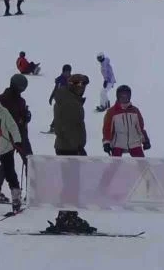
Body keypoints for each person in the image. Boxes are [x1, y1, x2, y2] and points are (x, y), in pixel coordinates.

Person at [46, 73, 96, 234]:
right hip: (68, 148)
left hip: (70, 147)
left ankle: (68, 215)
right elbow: (64, 127)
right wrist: (77, 147)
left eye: (84, 85)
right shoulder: (68, 101)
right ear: (71, 85)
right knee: (71, 184)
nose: (82, 87)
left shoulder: (70, 99)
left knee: (71, 184)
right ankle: (67, 217)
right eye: (78, 84)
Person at [0, 74, 33, 202]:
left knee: (14, 162)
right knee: (28, 161)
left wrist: (26, 116)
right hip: (11, 136)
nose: (22, 90)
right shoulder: (3, 100)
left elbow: (21, 117)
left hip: (17, 135)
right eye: (21, 87)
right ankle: (31, 192)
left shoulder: (17, 100)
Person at [102, 85, 150, 157]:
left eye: (126, 96)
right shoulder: (112, 112)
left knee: (141, 161)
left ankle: (142, 165)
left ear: (129, 96)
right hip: (118, 143)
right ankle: (114, 164)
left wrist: (145, 141)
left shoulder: (135, 111)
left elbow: (140, 128)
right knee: (115, 162)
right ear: (118, 96)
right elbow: (107, 128)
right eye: (122, 96)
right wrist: (106, 142)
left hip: (134, 142)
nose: (124, 98)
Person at [47, 64, 72, 133]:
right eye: (66, 72)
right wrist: (51, 97)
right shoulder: (60, 80)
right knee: (60, 113)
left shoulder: (71, 79)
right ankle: (53, 127)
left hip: (68, 99)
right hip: (60, 99)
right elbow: (55, 89)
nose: (67, 74)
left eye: (69, 72)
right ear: (63, 72)